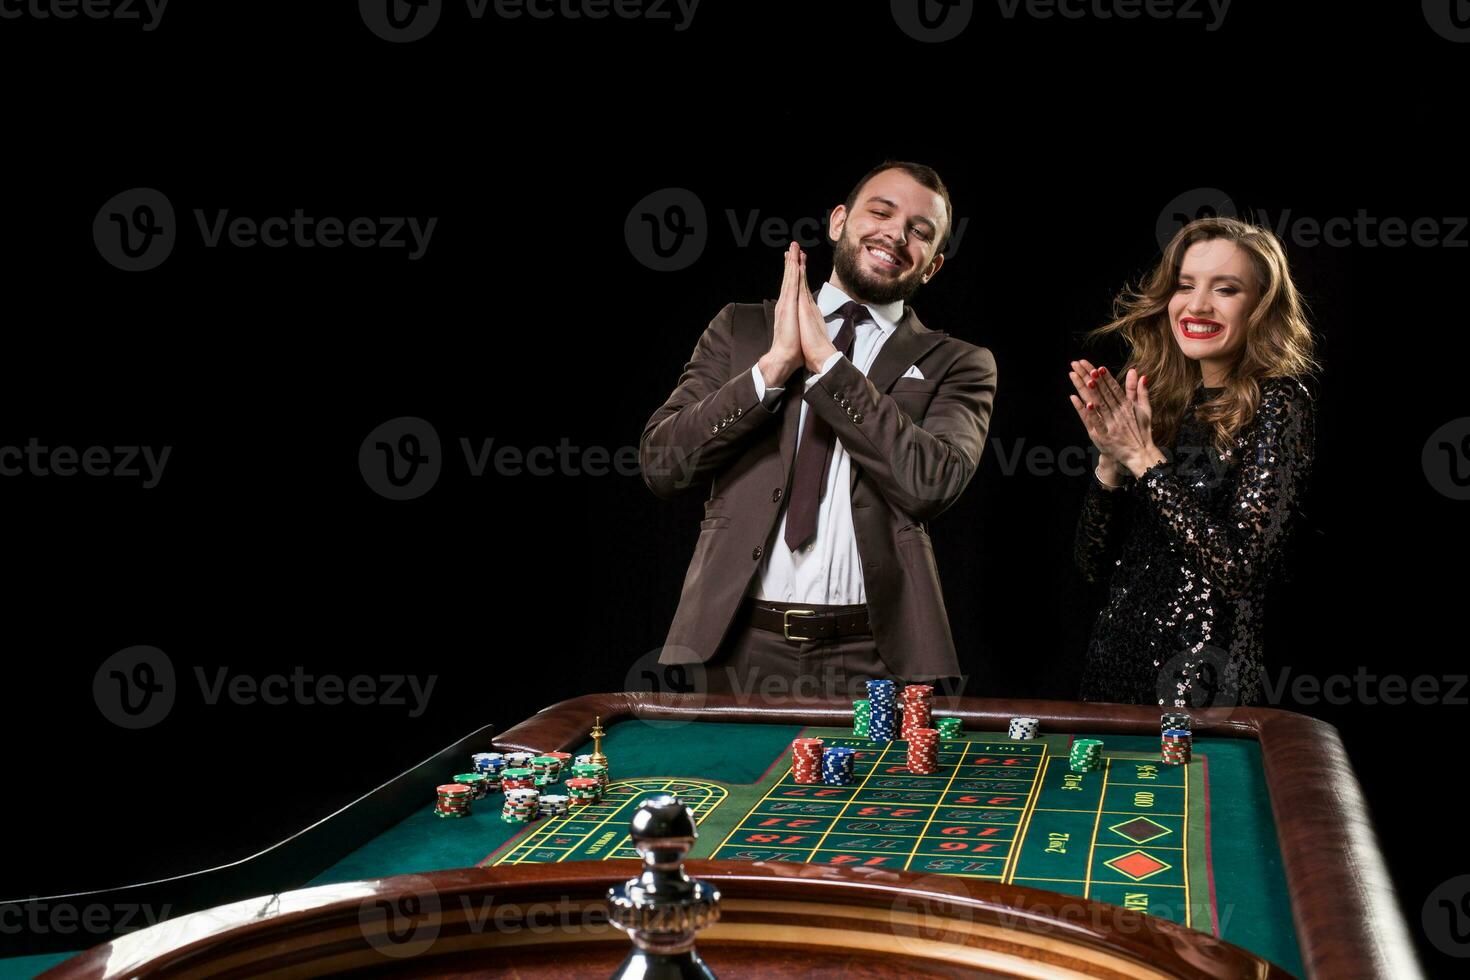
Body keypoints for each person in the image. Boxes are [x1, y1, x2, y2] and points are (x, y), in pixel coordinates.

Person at [640, 161, 996, 701]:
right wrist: (774, 368)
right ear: (838, 222)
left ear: (933, 266)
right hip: (734, 647)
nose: (896, 235)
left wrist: (828, 366)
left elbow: (931, 483)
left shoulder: (961, 362)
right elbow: (663, 465)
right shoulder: (741, 328)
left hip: (877, 657)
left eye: (920, 232)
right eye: (881, 212)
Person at [1069, 215, 1319, 708]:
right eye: (1185, 285)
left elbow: (1238, 570)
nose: (1197, 304)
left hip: (1198, 686)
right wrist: (1111, 464)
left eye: (1225, 289)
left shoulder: (1280, 402)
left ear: (1260, 308)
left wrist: (1143, 458)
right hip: (1111, 672)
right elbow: (1092, 566)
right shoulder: (1161, 401)